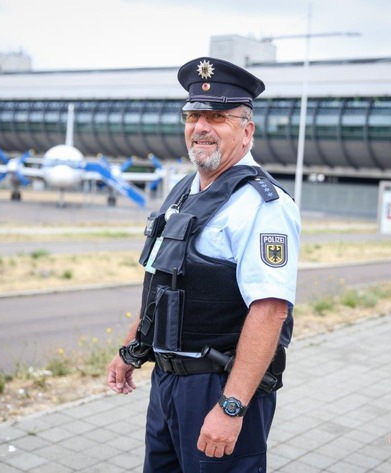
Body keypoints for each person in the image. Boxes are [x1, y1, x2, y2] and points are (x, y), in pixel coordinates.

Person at [106, 57, 301, 472]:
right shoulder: (183, 191)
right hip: (168, 383)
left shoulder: (264, 206)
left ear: (246, 130)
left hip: (220, 386)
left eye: (217, 117)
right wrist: (132, 349)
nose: (201, 127)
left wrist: (231, 407)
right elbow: (162, 283)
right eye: (193, 115)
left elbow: (270, 311)